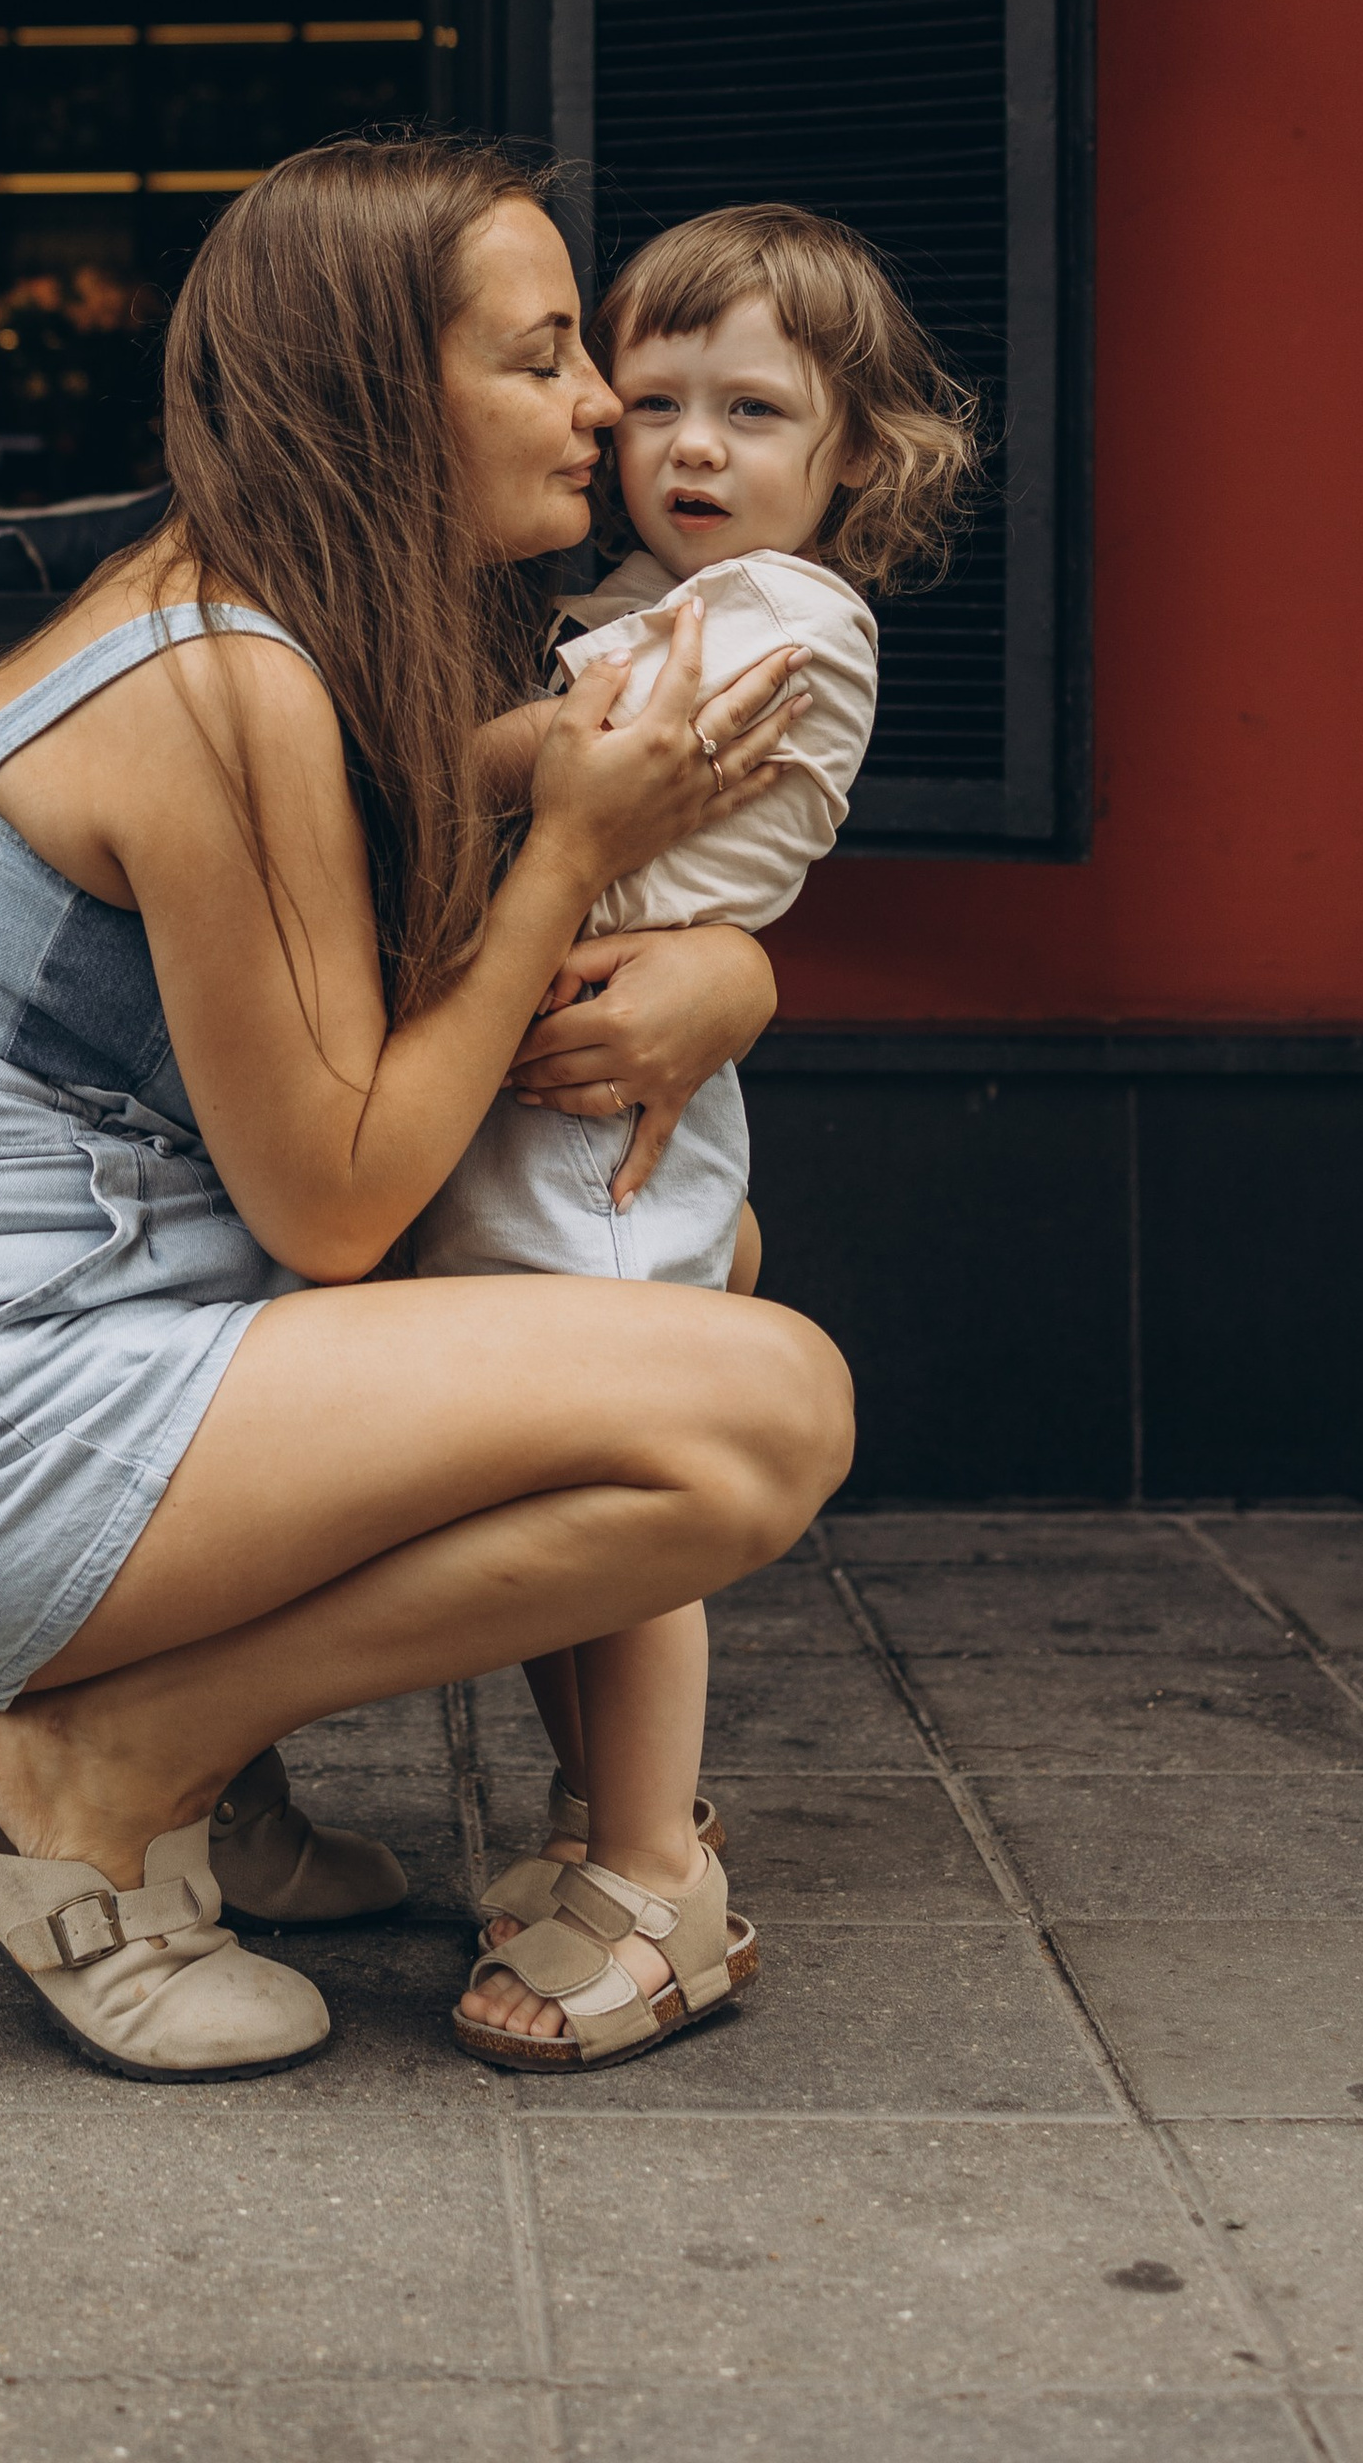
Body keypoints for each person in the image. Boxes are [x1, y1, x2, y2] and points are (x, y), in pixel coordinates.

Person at [0, 135, 855, 2083]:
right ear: (371, 394)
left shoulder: (285, 635)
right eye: (539, 361)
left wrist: (724, 974)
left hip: (78, 1337)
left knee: (697, 1259)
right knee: (760, 1412)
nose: (600, 405)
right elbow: (342, 1193)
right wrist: (554, 864)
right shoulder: (210, 681)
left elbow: (399, 1058)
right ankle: (101, 1766)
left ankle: (203, 1775)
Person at [417, 203, 977, 2067]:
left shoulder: (776, 615)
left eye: (751, 409)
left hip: (595, 1122)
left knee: (625, 1513)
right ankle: (599, 1833)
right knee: (543, 1497)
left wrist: (386, 742)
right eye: (651, 402)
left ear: (856, 457)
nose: (690, 447)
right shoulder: (650, 612)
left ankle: (657, 1881)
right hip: (567, 1079)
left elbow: (562, 770)